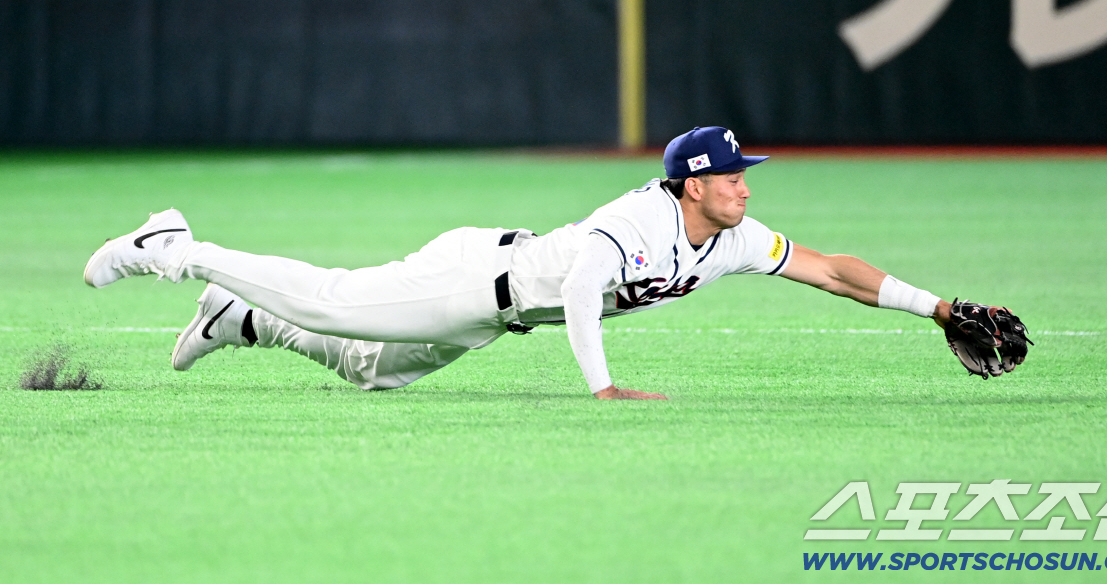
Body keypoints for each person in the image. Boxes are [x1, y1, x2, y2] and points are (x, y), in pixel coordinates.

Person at [83, 127, 1030, 399]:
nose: (747, 185)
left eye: (746, 174)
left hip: (493, 300)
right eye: (733, 175)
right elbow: (582, 285)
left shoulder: (734, 237)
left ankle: (238, 318)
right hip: (473, 283)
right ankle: (175, 245)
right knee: (337, 306)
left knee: (370, 374)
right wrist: (602, 388)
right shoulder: (642, 216)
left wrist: (936, 306)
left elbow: (833, 269)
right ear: (692, 183)